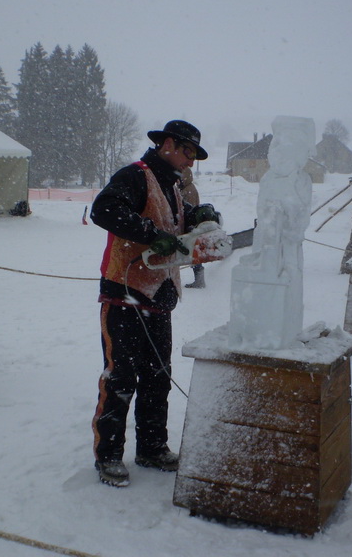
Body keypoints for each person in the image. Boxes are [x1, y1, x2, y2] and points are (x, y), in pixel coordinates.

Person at [90, 120, 219, 487]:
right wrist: (151, 235)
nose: (190, 161)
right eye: (187, 152)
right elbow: (104, 210)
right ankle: (109, 455)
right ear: (166, 144)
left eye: (194, 155)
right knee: (119, 379)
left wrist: (201, 216)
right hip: (125, 293)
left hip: (160, 296)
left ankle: (152, 447)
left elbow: (175, 221)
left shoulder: (173, 185)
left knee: (157, 378)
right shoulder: (134, 175)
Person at [178, 167, 205, 289]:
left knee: (193, 252)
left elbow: (187, 208)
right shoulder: (188, 188)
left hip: (191, 226)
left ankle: (199, 281)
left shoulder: (188, 190)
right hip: (192, 225)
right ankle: (199, 280)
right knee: (193, 252)